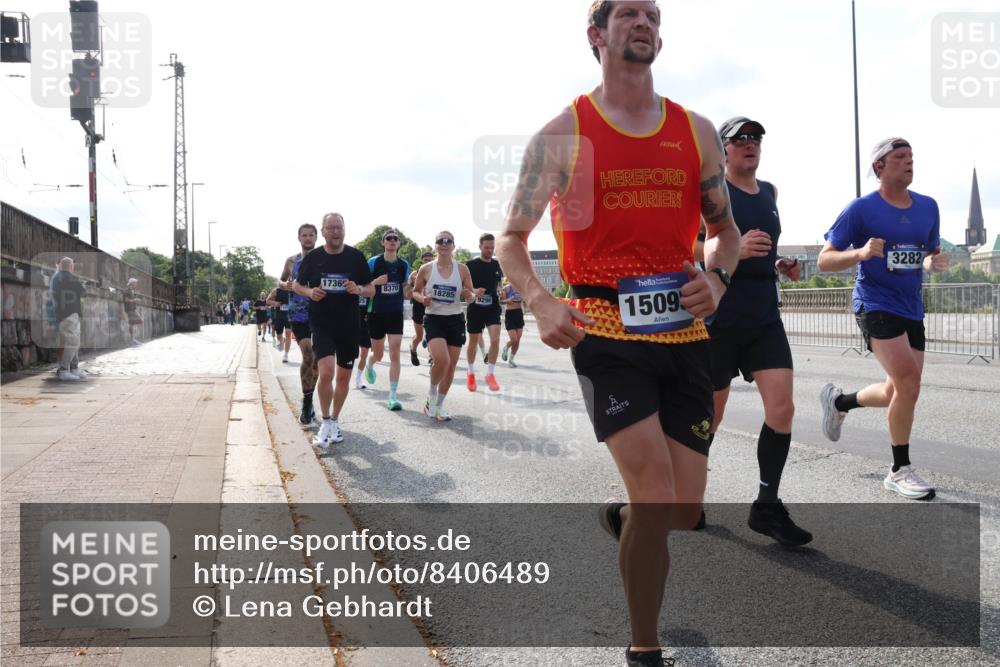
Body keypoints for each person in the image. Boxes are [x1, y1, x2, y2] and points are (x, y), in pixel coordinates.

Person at [495, 3, 740, 664]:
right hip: (603, 326)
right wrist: (542, 299)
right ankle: (645, 648)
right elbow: (510, 242)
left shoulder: (697, 131)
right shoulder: (563, 135)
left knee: (683, 511)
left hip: (685, 332)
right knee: (657, 496)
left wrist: (716, 282)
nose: (645, 22)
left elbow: (727, 233)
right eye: (629, 11)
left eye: (654, 14)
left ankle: (626, 519)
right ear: (596, 35)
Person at [699, 116, 812, 547]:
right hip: (719, 317)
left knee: (782, 408)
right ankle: (690, 494)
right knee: (710, 416)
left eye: (756, 138)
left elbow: (766, 246)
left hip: (764, 315)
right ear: (723, 149)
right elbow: (688, 244)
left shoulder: (769, 192)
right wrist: (733, 249)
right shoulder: (712, 191)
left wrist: (779, 263)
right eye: (740, 139)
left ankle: (766, 506)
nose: (750, 144)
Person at [818, 137, 949, 500]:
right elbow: (826, 260)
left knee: (898, 389)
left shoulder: (928, 207)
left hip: (911, 306)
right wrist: (860, 253)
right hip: (874, 303)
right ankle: (899, 469)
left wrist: (932, 262)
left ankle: (839, 402)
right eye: (899, 157)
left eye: (911, 156)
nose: (909, 161)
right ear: (880, 167)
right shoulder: (860, 209)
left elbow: (927, 253)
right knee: (908, 381)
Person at [292, 213, 379, 447]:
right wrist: (310, 293)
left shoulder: (356, 257)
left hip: (349, 324)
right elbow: (296, 285)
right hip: (322, 323)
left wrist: (358, 288)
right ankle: (325, 420)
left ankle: (335, 421)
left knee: (342, 378)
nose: (335, 231)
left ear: (344, 229)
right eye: (330, 227)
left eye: (339, 227)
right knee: (327, 371)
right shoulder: (314, 258)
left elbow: (371, 289)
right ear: (323, 231)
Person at [412, 231, 478, 421]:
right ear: (436, 245)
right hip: (434, 319)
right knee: (443, 360)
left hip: (455, 319)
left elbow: (471, 295)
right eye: (441, 241)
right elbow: (415, 292)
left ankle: (439, 406)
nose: (444, 244)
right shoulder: (426, 268)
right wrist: (422, 298)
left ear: (453, 246)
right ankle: (431, 398)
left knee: (451, 366)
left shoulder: (462, 269)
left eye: (448, 241)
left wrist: (470, 296)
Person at [364, 229, 412, 411]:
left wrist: (413, 285)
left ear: (399, 244)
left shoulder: (403, 264)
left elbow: (407, 290)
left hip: (395, 313)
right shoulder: (373, 262)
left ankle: (392, 396)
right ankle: (370, 364)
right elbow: (364, 285)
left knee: (394, 353)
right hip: (376, 312)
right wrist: (376, 282)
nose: (392, 241)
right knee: (378, 354)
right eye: (388, 239)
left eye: (395, 239)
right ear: (383, 242)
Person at [280, 223, 320, 423]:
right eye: (304, 235)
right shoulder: (291, 261)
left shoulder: (324, 259)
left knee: (317, 360)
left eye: (311, 235)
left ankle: (310, 400)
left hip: (321, 313)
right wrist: (285, 285)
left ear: (316, 237)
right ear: (299, 238)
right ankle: (306, 404)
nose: (307, 238)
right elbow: (280, 281)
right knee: (308, 354)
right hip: (298, 314)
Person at [464, 233, 505, 392]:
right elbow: (463, 287)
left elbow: (499, 283)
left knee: (495, 338)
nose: (489, 250)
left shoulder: (497, 265)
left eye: (492, 248)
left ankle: (490, 373)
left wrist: (501, 292)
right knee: (473, 341)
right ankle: (471, 372)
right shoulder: (470, 265)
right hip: (475, 306)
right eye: (487, 247)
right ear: (480, 246)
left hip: (492, 306)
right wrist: (474, 291)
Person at [50, 257, 88, 381]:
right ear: (71, 267)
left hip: (62, 314)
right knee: (72, 342)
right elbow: (83, 292)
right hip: (70, 314)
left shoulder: (56, 277)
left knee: (73, 342)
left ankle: (73, 368)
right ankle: (65, 370)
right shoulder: (68, 277)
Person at [408, 251, 435, 366]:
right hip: (419, 307)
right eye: (426, 260)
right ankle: (413, 349)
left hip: (432, 307)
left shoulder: (438, 272)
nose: (428, 262)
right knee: (419, 336)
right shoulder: (415, 274)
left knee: (432, 334)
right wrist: (413, 284)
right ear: (421, 260)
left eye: (430, 260)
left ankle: (432, 356)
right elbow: (407, 293)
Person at [500, 278, 524, 367]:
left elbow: (525, 301)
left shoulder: (522, 288)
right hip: (510, 314)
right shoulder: (507, 288)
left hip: (519, 314)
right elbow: (501, 301)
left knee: (518, 340)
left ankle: (511, 360)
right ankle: (506, 347)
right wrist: (508, 300)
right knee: (514, 339)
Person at [267, 286, 292, 362]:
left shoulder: (293, 289)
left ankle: (286, 355)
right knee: (279, 336)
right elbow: (267, 301)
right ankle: (281, 341)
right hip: (279, 316)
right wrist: (275, 303)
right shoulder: (276, 290)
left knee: (288, 334)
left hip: (289, 316)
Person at [355, 292, 372, 390]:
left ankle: (358, 378)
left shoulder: (368, 284)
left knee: (364, 352)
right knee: (350, 354)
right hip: (351, 322)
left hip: (365, 324)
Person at [123, 277, 143, 346]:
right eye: (135, 283)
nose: (136, 284)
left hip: (133, 309)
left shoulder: (131, 290)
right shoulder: (127, 290)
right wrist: (134, 300)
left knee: (134, 323)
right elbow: (126, 300)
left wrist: (135, 300)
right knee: (138, 321)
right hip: (129, 310)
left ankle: (133, 340)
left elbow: (130, 299)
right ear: (132, 283)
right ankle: (132, 340)